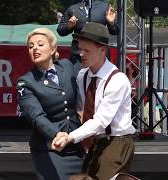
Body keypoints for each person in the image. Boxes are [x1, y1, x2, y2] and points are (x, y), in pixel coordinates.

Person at [51, 22, 135, 180]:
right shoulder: (83, 75)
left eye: (86, 50)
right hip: (96, 141)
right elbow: (83, 110)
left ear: (102, 50)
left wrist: (71, 137)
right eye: (79, 49)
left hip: (117, 142)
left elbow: (101, 121)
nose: (81, 54)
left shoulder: (117, 80)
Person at [17, 27, 84, 180]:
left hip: (76, 145)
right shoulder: (26, 82)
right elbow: (36, 116)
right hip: (50, 148)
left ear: (53, 48)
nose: (35, 48)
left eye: (40, 44)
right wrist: (56, 134)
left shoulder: (67, 66)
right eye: (31, 46)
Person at [57, 0, 118, 73]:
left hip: (98, 54)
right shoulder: (72, 8)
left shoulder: (105, 7)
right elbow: (60, 30)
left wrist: (111, 23)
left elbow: (116, 31)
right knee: (78, 80)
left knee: (99, 80)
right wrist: (69, 26)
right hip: (78, 55)